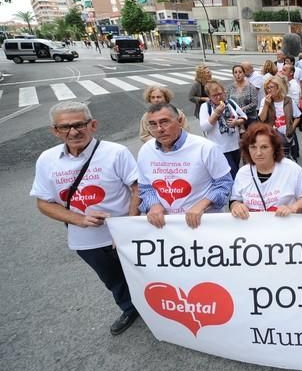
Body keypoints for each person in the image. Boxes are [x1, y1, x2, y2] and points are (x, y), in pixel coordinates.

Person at [30, 101, 140, 335]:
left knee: (144, 275)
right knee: (113, 281)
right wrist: (78, 219)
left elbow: (137, 188)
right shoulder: (46, 160)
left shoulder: (115, 152)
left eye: (79, 124)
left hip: (124, 235)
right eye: (64, 127)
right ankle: (130, 309)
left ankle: (159, 311)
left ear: (93, 125)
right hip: (85, 241)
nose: (73, 132)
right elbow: (43, 202)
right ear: (55, 131)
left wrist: (129, 227)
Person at [138, 103, 233, 229]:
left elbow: (224, 184)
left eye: (165, 122)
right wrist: (153, 205)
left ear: (180, 121)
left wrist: (202, 205)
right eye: (153, 124)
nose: (159, 129)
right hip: (167, 227)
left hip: (204, 225)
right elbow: (145, 187)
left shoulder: (206, 148)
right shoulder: (146, 150)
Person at [230, 123, 302, 218]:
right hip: (254, 228)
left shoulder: (292, 169)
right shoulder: (242, 173)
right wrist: (237, 206)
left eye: (264, 147)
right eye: (253, 147)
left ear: (274, 148)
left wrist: (292, 208)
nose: (258, 153)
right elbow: (234, 200)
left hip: (286, 226)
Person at [199, 80, 247, 179]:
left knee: (236, 169)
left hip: (235, 145)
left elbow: (244, 117)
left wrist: (236, 122)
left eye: (220, 94)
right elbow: (204, 127)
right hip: (220, 148)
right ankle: (234, 192)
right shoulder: (205, 107)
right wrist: (216, 114)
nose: (218, 97)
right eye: (214, 95)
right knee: (232, 173)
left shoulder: (230, 103)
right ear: (209, 96)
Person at [258, 75, 302, 160]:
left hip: (286, 139)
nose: (269, 90)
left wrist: (291, 129)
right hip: (271, 138)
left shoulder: (288, 101)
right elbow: (262, 119)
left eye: (271, 87)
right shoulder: (265, 100)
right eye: (267, 88)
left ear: (278, 88)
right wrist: (267, 105)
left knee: (287, 164)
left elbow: (298, 116)